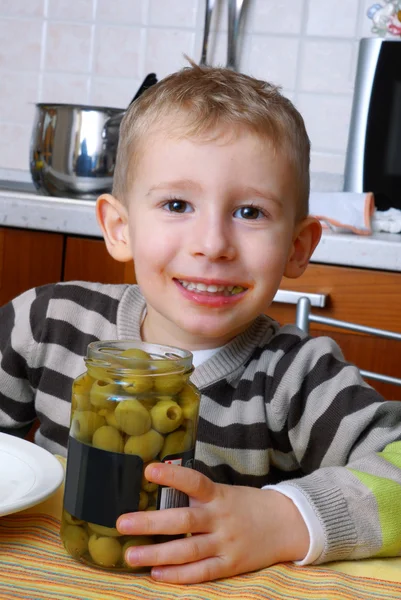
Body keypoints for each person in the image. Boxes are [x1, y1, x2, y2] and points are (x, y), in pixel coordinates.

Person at [1, 62, 401, 585]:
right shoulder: (44, 321)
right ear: (120, 228)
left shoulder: (299, 378)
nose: (212, 244)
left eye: (251, 213)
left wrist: (282, 519)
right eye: (176, 204)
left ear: (298, 247)